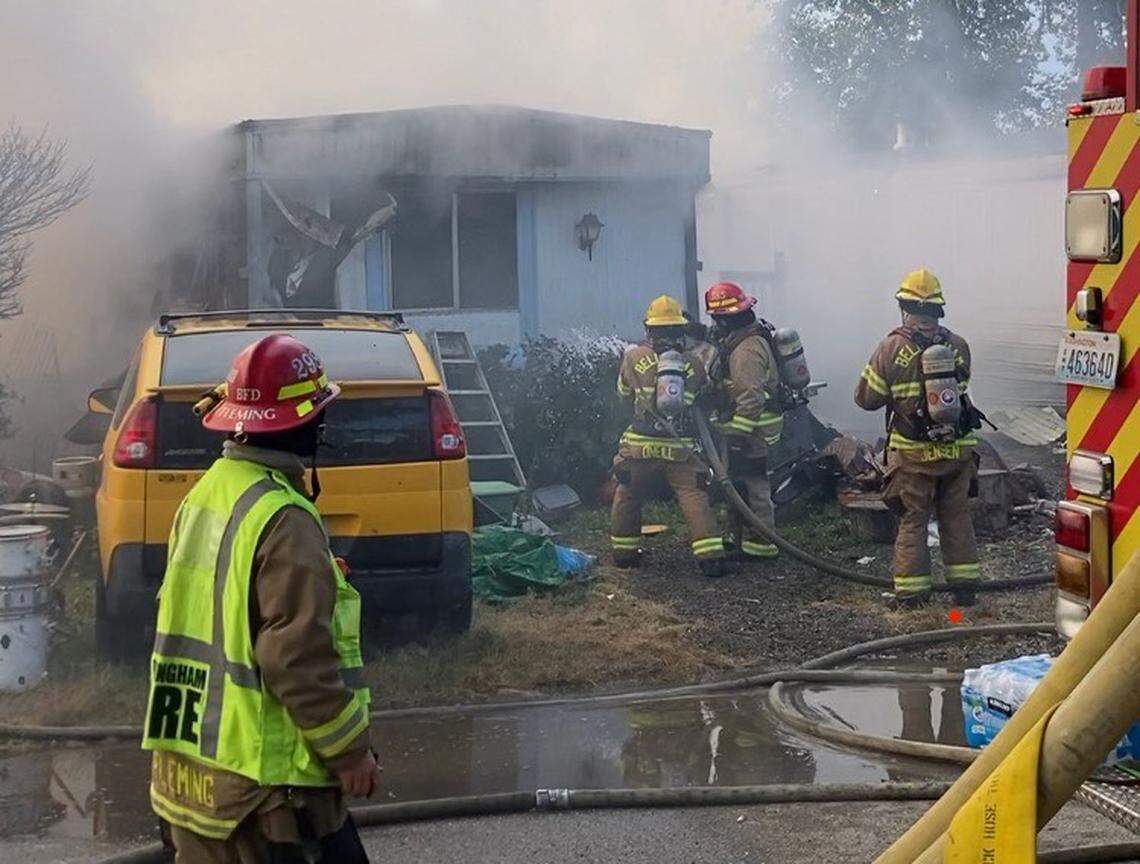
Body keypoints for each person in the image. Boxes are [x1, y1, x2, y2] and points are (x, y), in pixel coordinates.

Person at [142, 333, 380, 863]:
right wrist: (349, 753)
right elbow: (294, 657)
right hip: (265, 797)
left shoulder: (207, 492)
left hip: (191, 786)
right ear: (305, 424)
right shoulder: (284, 518)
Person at [854, 268, 981, 607]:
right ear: (938, 308)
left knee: (913, 520)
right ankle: (965, 589)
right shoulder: (958, 345)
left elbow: (866, 399)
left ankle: (912, 595)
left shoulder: (891, 346)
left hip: (913, 454)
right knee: (956, 516)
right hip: (957, 451)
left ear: (904, 306)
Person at [611, 295, 727, 577]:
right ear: (680, 329)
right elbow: (698, 400)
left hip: (639, 446)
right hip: (679, 448)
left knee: (628, 494)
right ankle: (711, 557)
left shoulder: (632, 356)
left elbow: (623, 396)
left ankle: (624, 554)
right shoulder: (693, 363)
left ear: (649, 329)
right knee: (693, 496)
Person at [703, 281, 784, 561]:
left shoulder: (747, 349)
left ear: (727, 319)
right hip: (746, 425)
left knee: (753, 484)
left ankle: (761, 544)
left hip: (753, 427)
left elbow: (750, 396)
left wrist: (739, 434)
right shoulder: (741, 341)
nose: (714, 324)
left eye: (717, 318)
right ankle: (740, 537)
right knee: (737, 483)